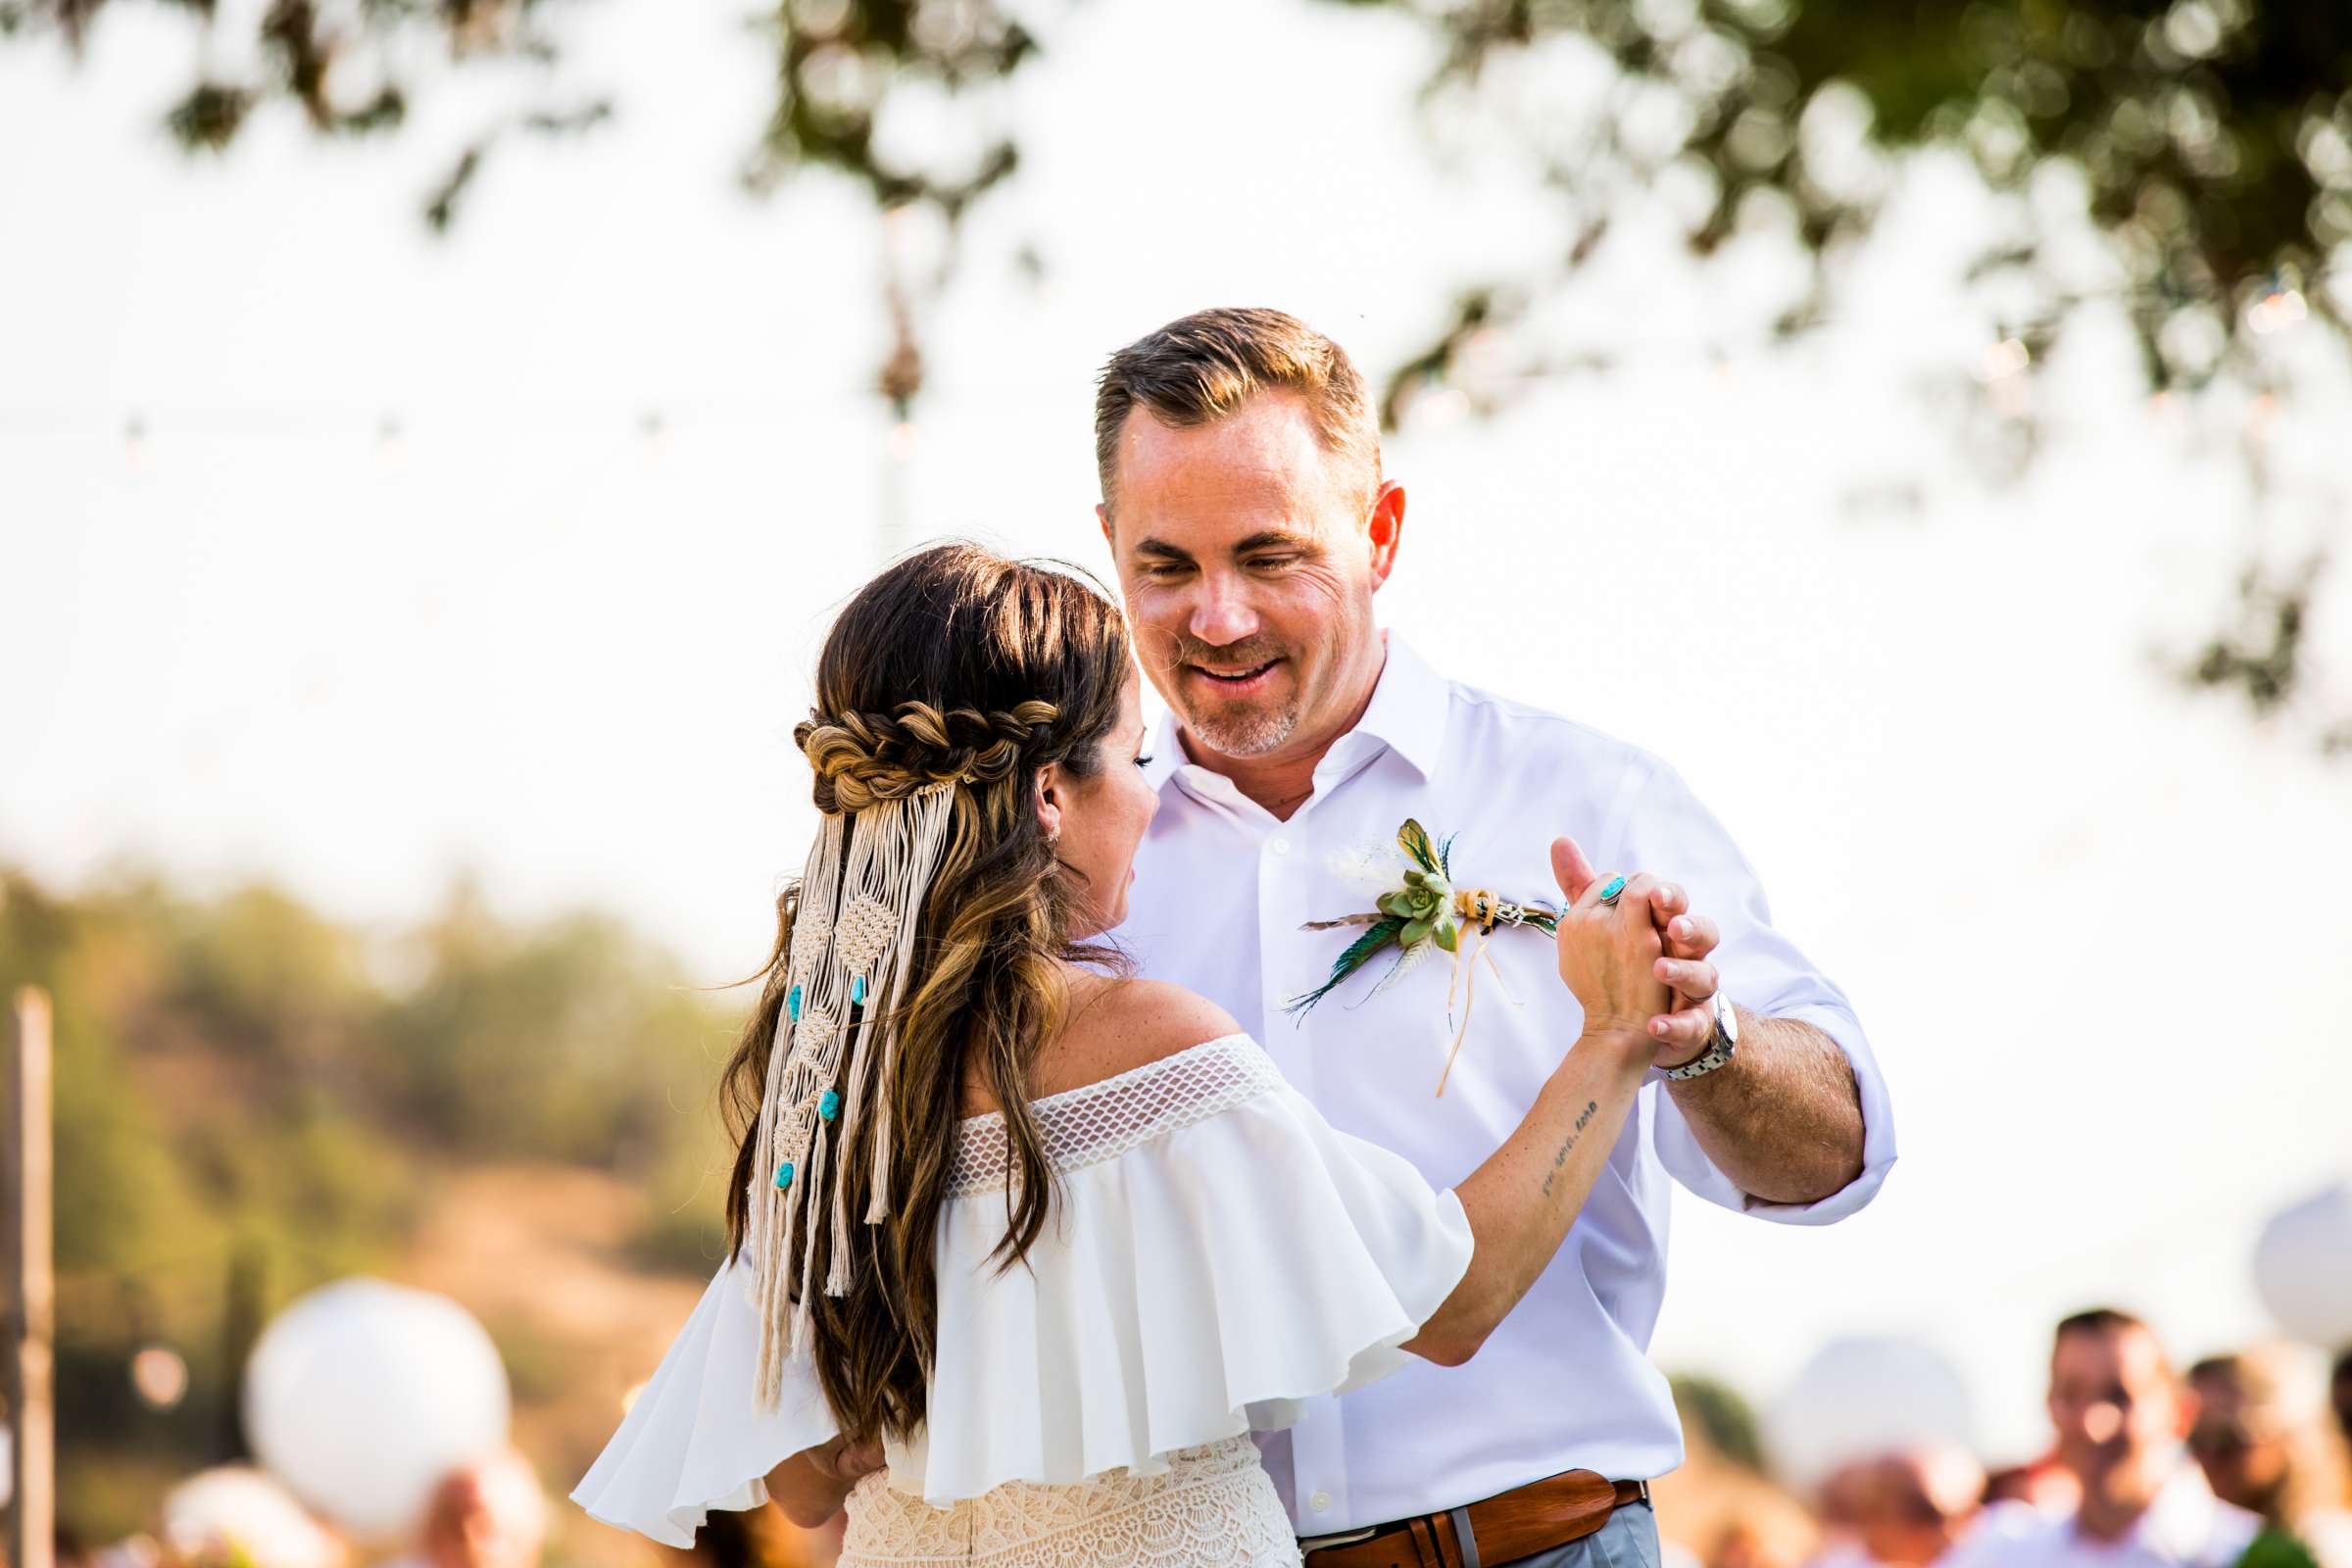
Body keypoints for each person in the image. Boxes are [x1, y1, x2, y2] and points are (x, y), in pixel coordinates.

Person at [572, 545, 1690, 1566]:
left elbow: (804, 1480)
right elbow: (1454, 1298)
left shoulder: (826, 1088)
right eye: (1131, 752)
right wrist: (1609, 1037)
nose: (1152, 794)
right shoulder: (1151, 1043)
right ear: (1050, 793)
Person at [1094, 306, 1896, 1564]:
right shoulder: (1069, 874)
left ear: (1382, 532)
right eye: (1166, 567)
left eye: (1268, 556)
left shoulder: (1583, 798)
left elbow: (1838, 1151)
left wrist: (1699, 1037)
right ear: (1107, 545)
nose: (1217, 617)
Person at [1941, 1309, 2261, 1568]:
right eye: (2071, 1394)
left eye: (2119, 1396)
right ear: (2049, 1404)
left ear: (2181, 1413)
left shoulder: (2245, 1555)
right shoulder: (2002, 1552)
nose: (2092, 1424)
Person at [2187, 1348, 2352, 1568]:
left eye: (2226, 1439)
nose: (2204, 1457)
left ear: (2287, 1435)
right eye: (2192, 1436)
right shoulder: (2192, 1544)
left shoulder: (2324, 1550)